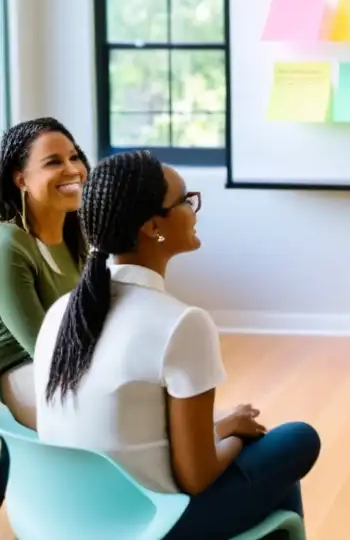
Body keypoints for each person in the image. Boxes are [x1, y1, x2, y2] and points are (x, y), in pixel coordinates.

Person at [34, 151, 320, 539]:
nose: (194, 209)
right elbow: (196, 476)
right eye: (186, 200)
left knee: (270, 473)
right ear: (154, 226)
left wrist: (220, 428)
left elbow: (132, 434)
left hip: (62, 519)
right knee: (294, 442)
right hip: (150, 527)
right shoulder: (182, 323)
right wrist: (235, 437)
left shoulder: (60, 313)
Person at [0, 118, 89, 505]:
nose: (72, 170)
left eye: (74, 157)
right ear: (21, 180)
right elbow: (43, 348)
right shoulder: (8, 244)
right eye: (53, 162)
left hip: (66, 364)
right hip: (22, 374)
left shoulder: (75, 239)